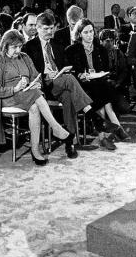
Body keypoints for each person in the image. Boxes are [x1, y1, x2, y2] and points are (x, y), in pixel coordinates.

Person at [0, 30, 73, 165]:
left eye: (20, 46)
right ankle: (56, 128)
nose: (18, 50)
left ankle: (35, 150)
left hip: (26, 95)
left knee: (34, 107)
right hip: (7, 97)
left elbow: (35, 75)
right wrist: (14, 88)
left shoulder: (24, 57)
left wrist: (36, 82)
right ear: (5, 46)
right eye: (14, 47)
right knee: (35, 95)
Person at [21, 11, 93, 158]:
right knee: (69, 80)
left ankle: (69, 141)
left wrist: (60, 71)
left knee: (68, 95)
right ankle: (88, 109)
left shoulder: (58, 45)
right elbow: (28, 73)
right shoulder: (29, 47)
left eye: (52, 28)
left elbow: (67, 65)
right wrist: (46, 75)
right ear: (38, 28)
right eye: (45, 29)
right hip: (42, 87)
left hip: (59, 84)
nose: (49, 32)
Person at [64, 19, 129, 147]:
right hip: (81, 85)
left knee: (101, 88)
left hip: (98, 83)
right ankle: (117, 128)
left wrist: (98, 75)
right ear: (79, 34)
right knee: (103, 92)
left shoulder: (101, 49)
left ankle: (103, 136)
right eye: (86, 32)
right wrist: (82, 75)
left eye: (91, 31)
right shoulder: (72, 50)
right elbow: (72, 72)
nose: (89, 35)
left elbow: (105, 70)